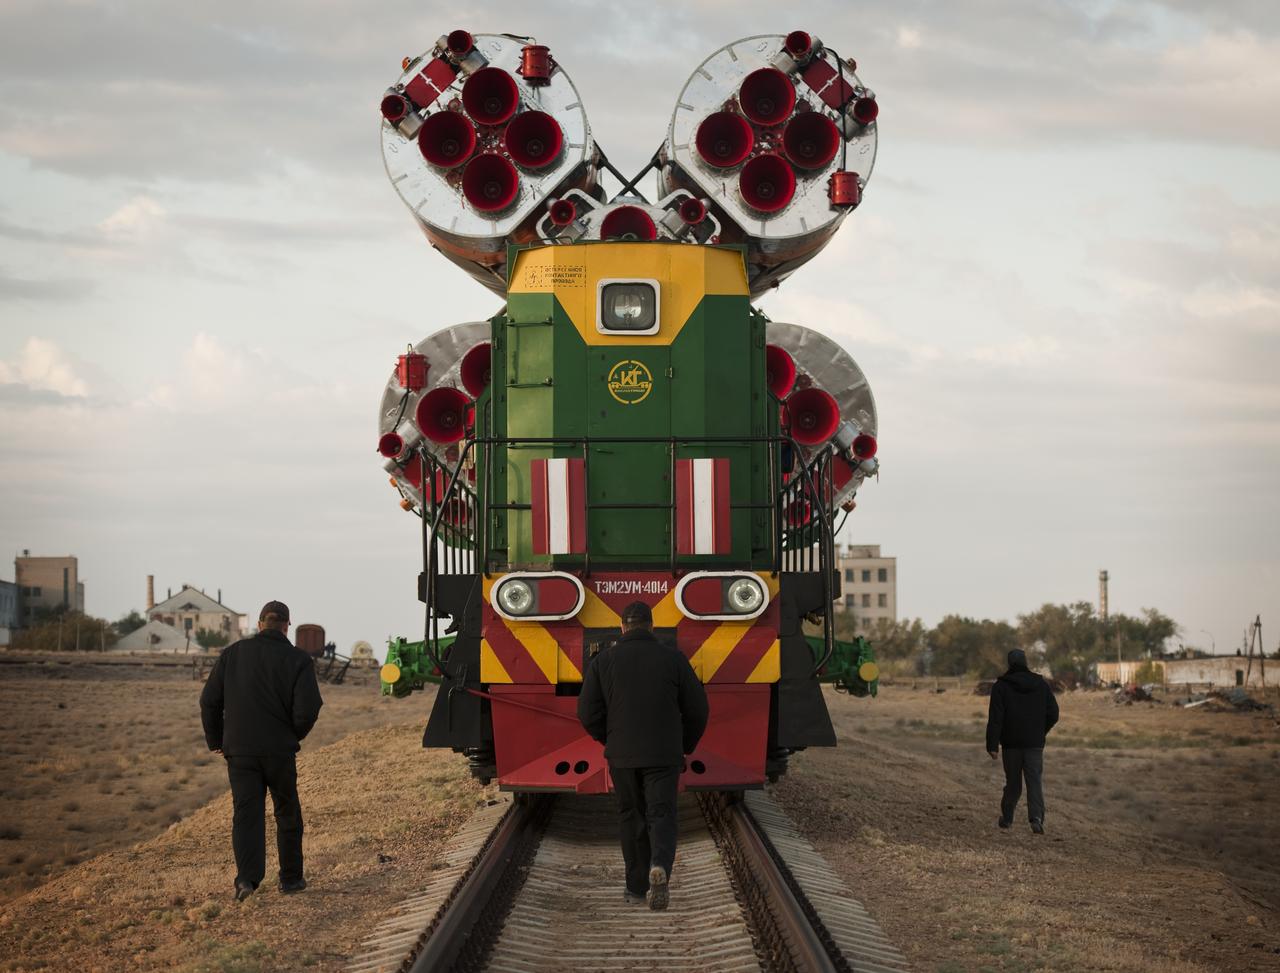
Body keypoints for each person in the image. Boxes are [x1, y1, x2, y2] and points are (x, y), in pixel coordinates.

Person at [577, 601, 708, 911]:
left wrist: (607, 737)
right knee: (662, 813)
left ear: (622, 628)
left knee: (631, 815)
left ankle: (636, 888)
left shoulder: (603, 661)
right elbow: (698, 709)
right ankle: (659, 865)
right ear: (651, 627)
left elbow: (586, 712)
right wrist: (685, 745)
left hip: (622, 755)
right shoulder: (674, 659)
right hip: (664, 753)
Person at [200, 600, 323, 901]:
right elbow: (309, 709)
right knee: (287, 812)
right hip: (279, 751)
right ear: (286, 626)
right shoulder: (299, 660)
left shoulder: (232, 655)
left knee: (247, 814)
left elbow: (208, 701)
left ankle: (246, 880)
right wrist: (291, 734)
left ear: (259, 624)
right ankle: (291, 880)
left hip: (240, 752)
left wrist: (217, 740)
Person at [985, 648, 1059, 834]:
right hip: (1034, 743)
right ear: (1025, 662)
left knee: (1013, 783)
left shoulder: (1001, 686)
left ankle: (1008, 817)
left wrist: (992, 745)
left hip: (1011, 744)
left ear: (1009, 663)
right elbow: (1054, 713)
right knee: (1034, 781)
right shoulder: (1040, 684)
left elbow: (996, 718)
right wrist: (1040, 731)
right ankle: (1036, 818)